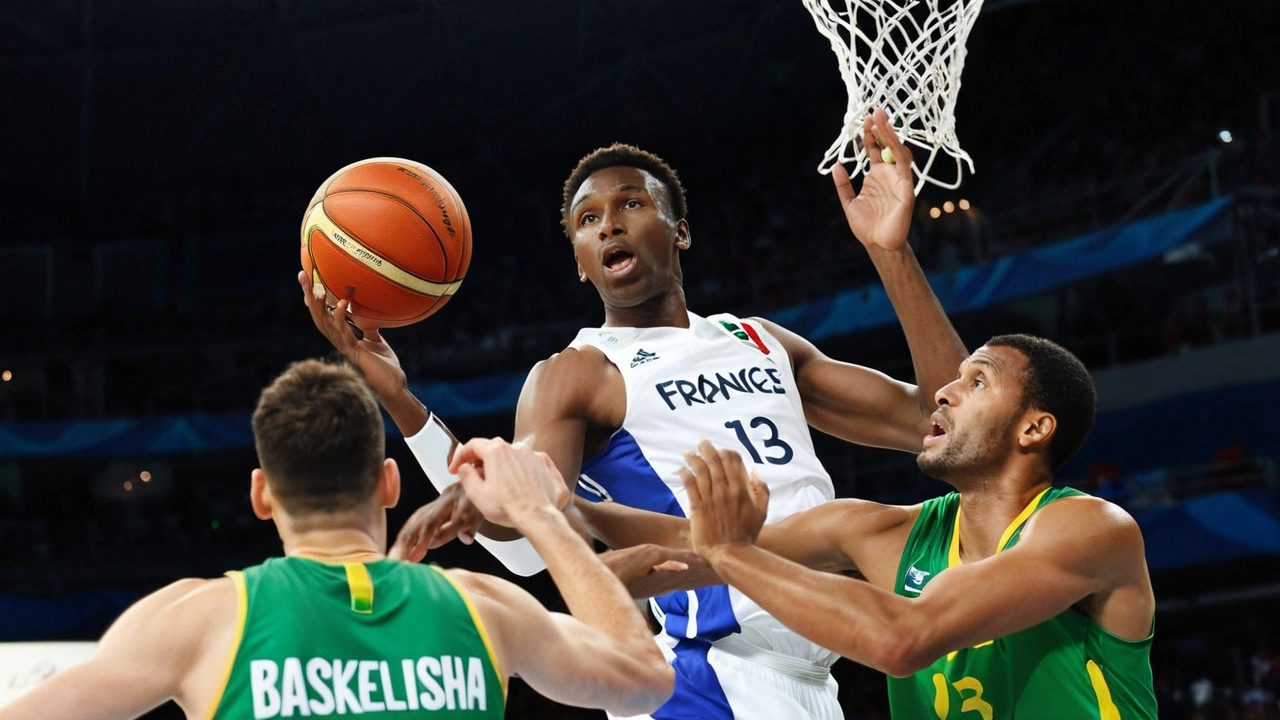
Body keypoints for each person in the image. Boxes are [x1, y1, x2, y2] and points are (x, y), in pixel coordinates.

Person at [303, 109, 968, 719]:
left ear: (679, 230)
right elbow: (531, 542)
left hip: (817, 673)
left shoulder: (761, 340)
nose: (609, 224)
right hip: (707, 676)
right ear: (581, 263)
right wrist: (400, 399)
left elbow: (948, 425)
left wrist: (891, 252)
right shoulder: (576, 374)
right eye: (587, 219)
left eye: (630, 204)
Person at [0, 360, 672, 719]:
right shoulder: (482, 607)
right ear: (388, 483)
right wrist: (539, 513)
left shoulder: (192, 621)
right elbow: (645, 680)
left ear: (262, 494)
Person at [606, 335, 1159, 719]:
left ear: (1034, 428)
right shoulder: (880, 532)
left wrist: (729, 555)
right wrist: (560, 516)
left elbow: (903, 639)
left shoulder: (1091, 529)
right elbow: (688, 550)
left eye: (978, 382)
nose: (944, 392)